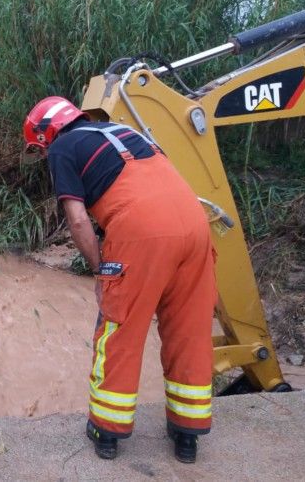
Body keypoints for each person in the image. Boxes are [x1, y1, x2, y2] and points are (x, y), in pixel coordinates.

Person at [23, 96, 218, 463]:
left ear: (46, 133)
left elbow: (79, 221)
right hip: (195, 226)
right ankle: (187, 433)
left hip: (141, 232)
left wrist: (99, 270)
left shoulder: (63, 148)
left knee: (120, 329)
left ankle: (107, 431)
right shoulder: (127, 131)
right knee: (189, 329)